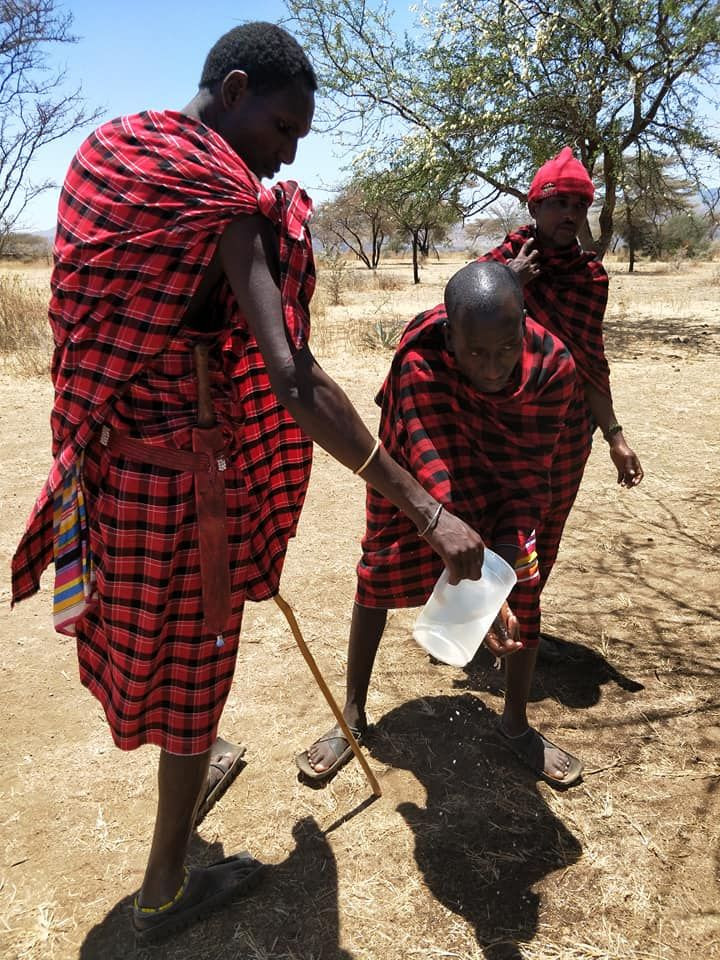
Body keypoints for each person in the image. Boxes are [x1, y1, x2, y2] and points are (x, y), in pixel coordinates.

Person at [10, 22, 488, 944]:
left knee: (157, 653)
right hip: (186, 491)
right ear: (234, 92)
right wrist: (425, 508)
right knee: (197, 673)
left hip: (110, 470)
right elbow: (294, 377)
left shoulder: (107, 151)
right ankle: (163, 886)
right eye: (282, 130)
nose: (285, 157)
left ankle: (190, 773)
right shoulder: (219, 198)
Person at [297, 260, 585, 790]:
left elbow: (528, 483)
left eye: (505, 348)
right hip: (415, 481)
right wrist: (465, 563)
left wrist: (496, 577)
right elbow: (431, 467)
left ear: (524, 325)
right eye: (475, 352)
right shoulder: (422, 359)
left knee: (524, 583)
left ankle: (516, 724)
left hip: (507, 482)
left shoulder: (553, 368)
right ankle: (354, 715)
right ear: (451, 336)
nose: (493, 367)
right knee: (378, 572)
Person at [478, 147, 644, 660]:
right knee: (496, 523)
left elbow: (591, 358)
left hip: (569, 432)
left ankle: (519, 618)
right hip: (504, 425)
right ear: (534, 208)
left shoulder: (590, 280)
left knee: (543, 530)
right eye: (556, 202)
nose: (569, 213)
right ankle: (479, 620)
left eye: (579, 203)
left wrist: (615, 437)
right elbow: (458, 327)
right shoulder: (498, 265)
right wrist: (512, 283)